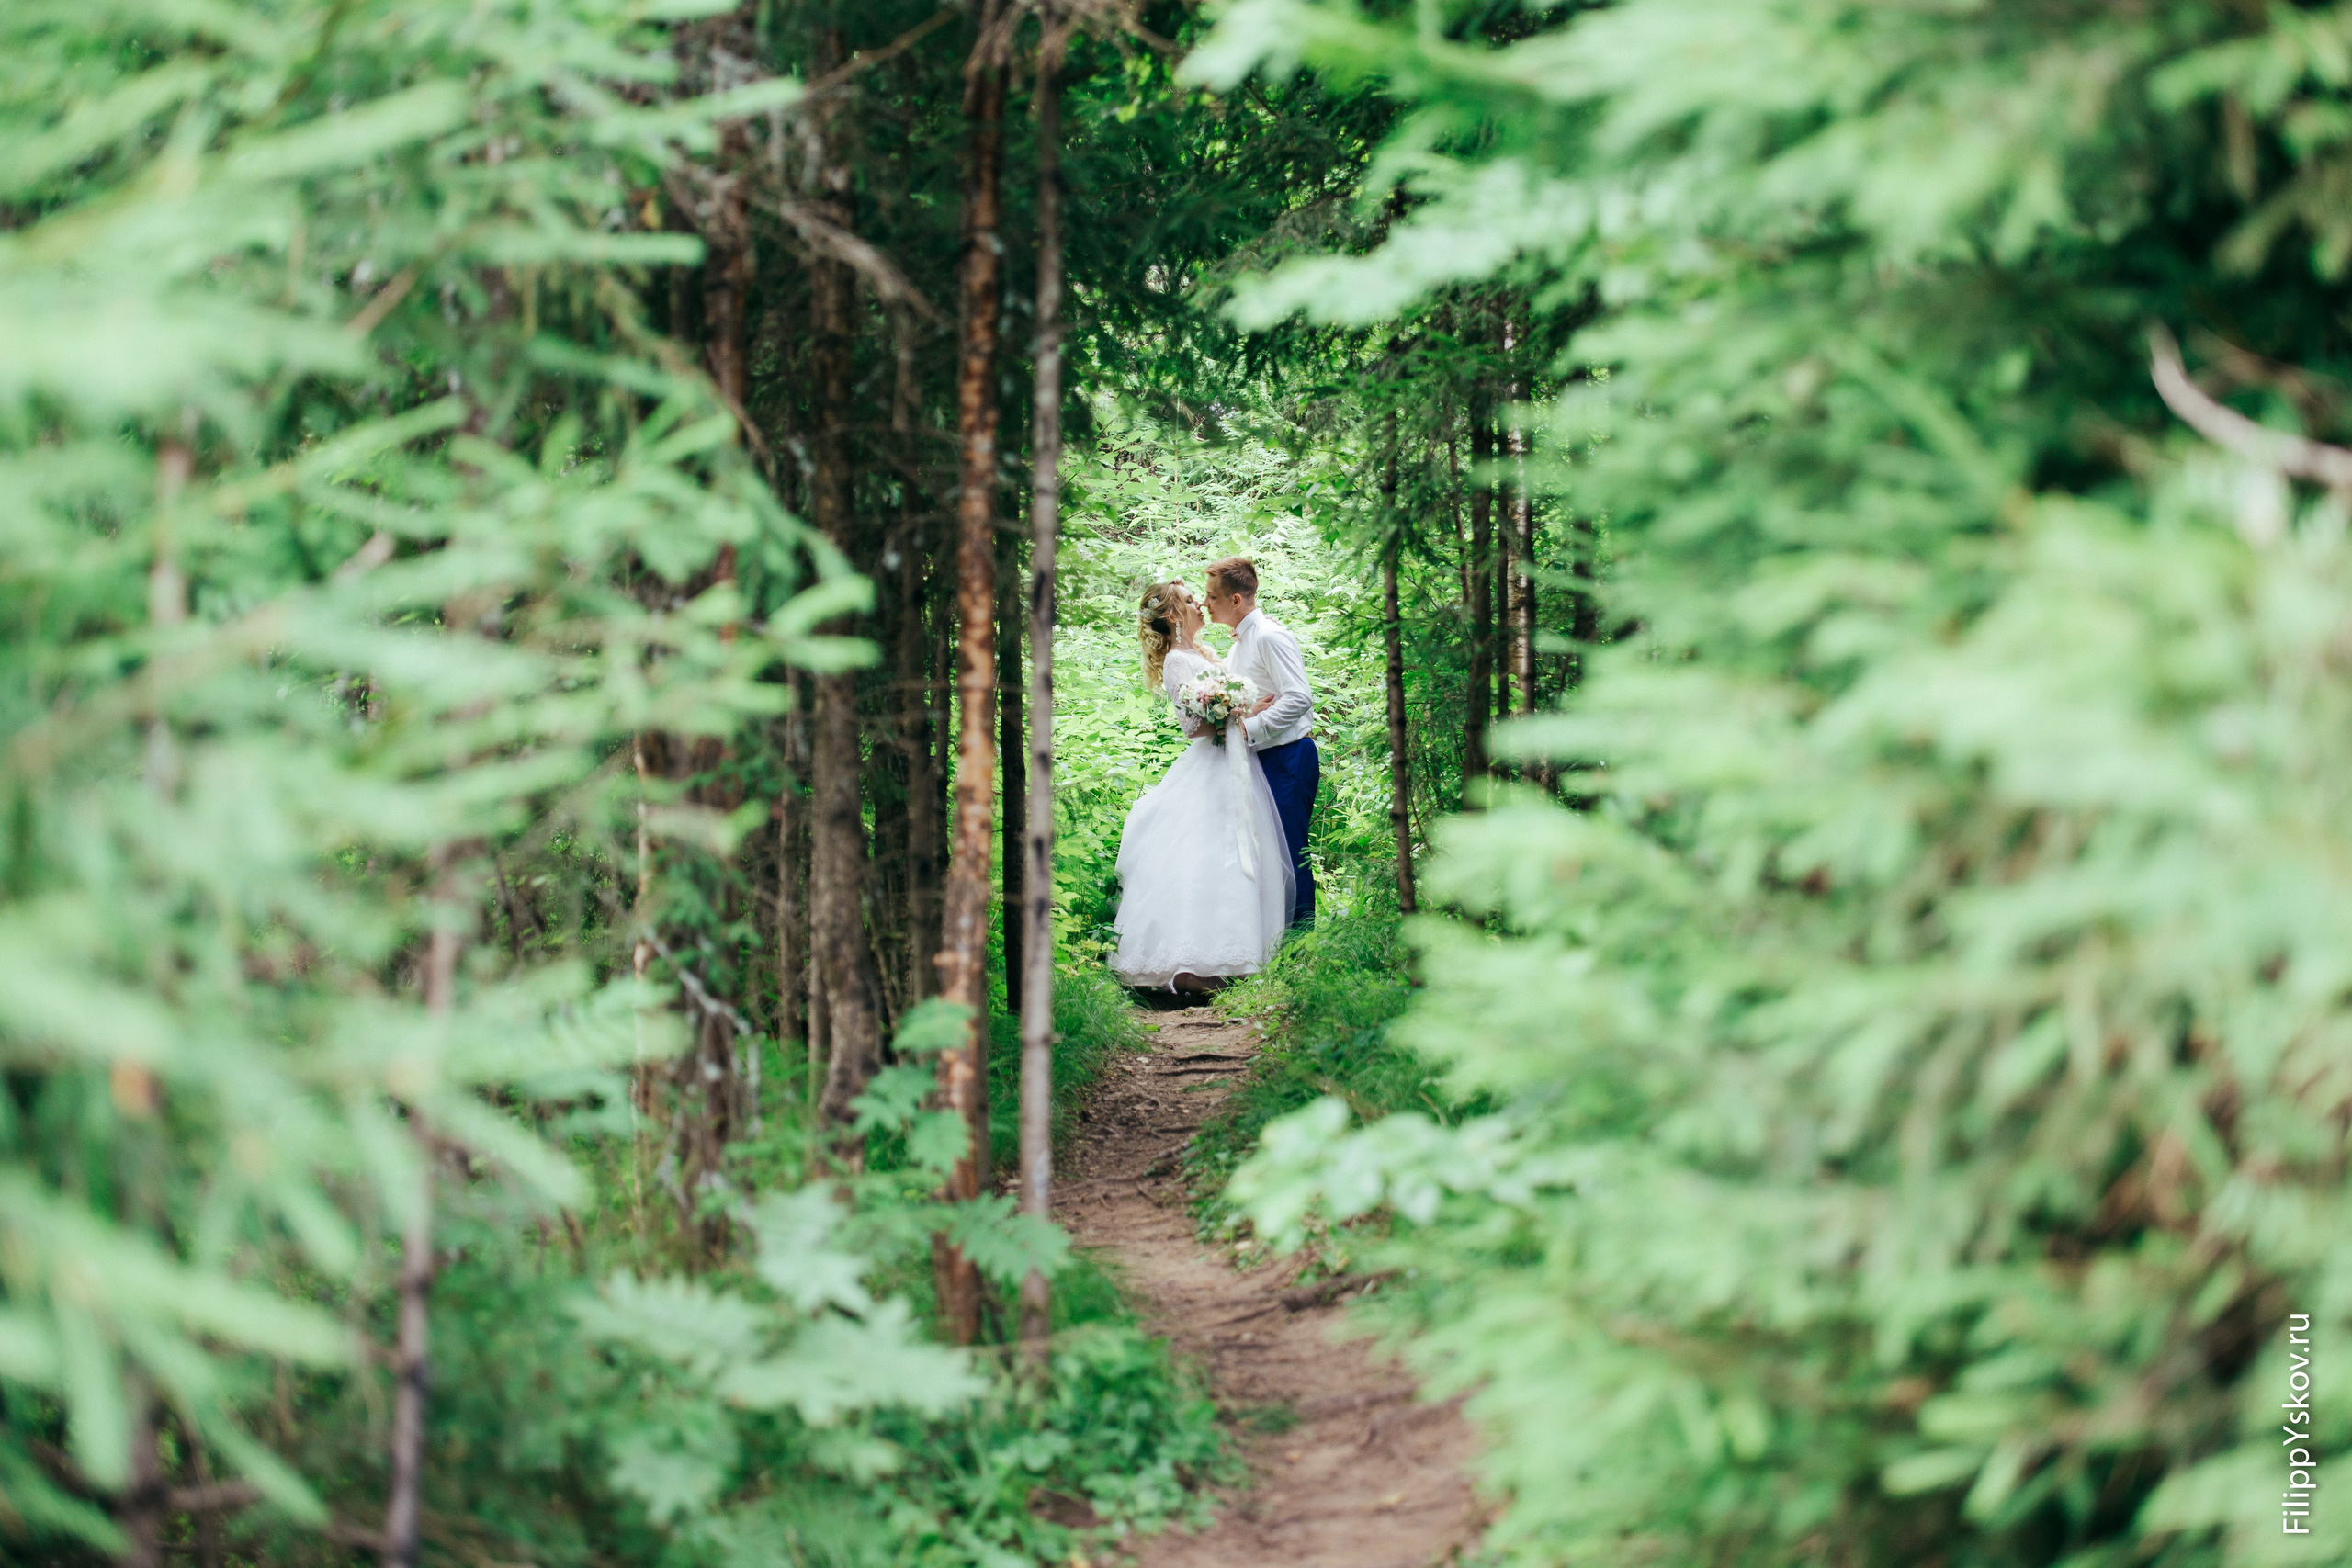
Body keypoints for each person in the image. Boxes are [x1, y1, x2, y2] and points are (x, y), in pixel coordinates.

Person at [1109, 581, 1295, 993]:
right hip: (1211, 764)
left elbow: (1227, 703)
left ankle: (1232, 956)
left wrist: (1243, 708)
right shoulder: (1178, 661)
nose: (1200, 606)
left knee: (1234, 854)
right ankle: (1189, 962)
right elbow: (1192, 727)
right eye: (1191, 601)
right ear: (1174, 616)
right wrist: (1233, 712)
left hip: (1235, 761)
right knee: (1205, 855)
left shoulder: (1205, 653)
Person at [1203, 557, 1318, 927]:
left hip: (1289, 757)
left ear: (1236, 600)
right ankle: (1273, 936)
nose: (1205, 604)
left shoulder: (1269, 636)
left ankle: (1301, 944)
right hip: (1259, 759)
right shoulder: (1238, 647)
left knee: (1291, 850)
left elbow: (1299, 697)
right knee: (1268, 853)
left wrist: (1250, 730)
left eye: (1212, 597)